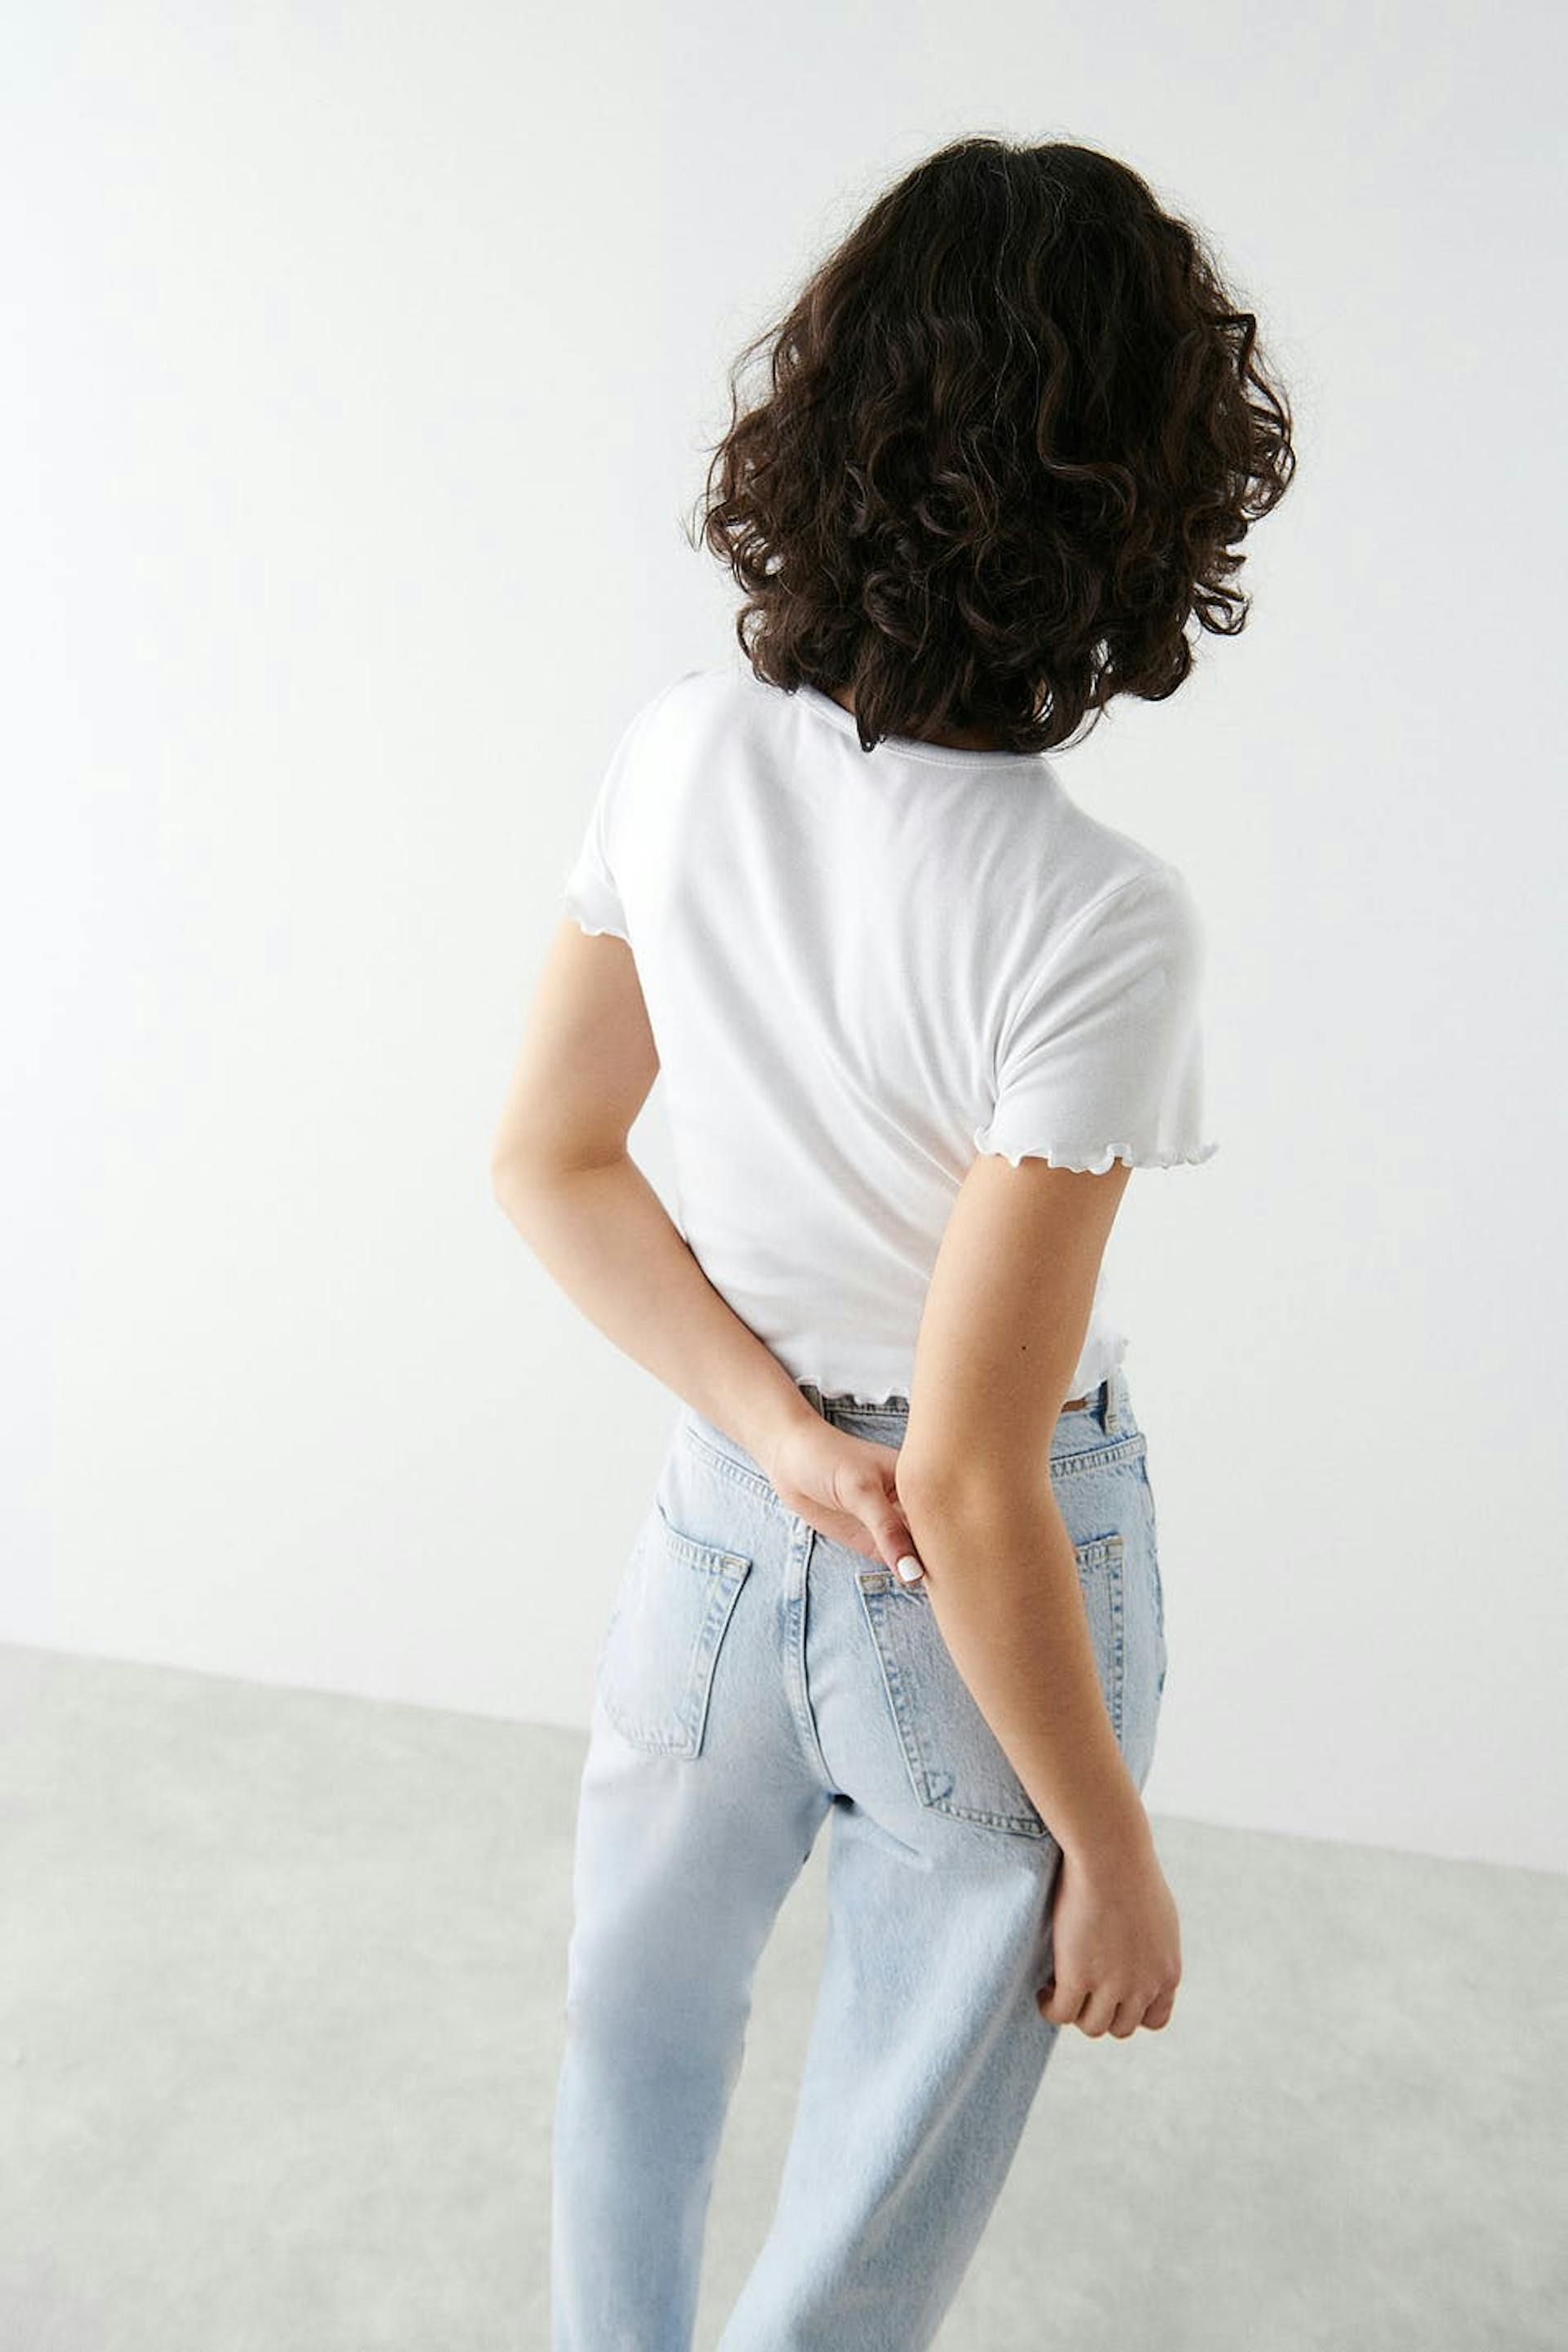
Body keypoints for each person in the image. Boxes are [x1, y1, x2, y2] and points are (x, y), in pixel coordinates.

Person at [491, 131, 1295, 2352]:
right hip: (979, 1592)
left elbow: (552, 1160)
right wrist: (1114, 1853)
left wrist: (771, 1436)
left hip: (723, 1516)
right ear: (1147, 499)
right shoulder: (1098, 920)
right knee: (875, 2194)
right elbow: (967, 1469)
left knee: (628, 2046)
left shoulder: (679, 757)